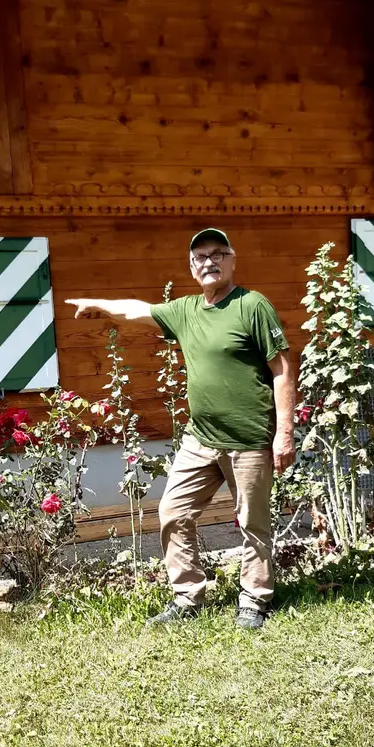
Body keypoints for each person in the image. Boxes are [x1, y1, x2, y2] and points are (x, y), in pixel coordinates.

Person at [65, 228, 296, 629]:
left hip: (248, 439)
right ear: (192, 267)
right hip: (201, 438)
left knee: (252, 523)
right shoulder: (186, 310)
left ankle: (254, 600)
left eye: (218, 254)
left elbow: (282, 368)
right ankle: (188, 596)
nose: (210, 262)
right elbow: (139, 310)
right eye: (201, 257)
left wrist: (285, 432)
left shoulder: (252, 306)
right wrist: (97, 304)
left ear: (232, 260)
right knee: (173, 511)